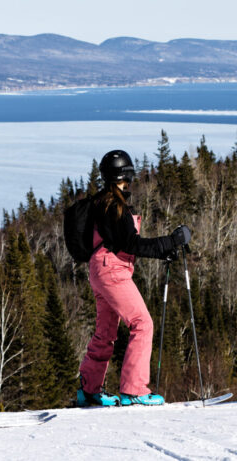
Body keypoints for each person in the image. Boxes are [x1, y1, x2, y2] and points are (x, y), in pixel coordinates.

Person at [77, 149, 191, 407]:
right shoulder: (115, 206)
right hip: (112, 271)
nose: (130, 183)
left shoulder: (101, 202)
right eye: (128, 178)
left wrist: (165, 248)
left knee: (106, 332)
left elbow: (122, 243)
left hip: (99, 269)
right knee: (142, 323)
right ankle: (134, 390)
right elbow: (131, 244)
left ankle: (89, 389)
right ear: (121, 177)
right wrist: (169, 243)